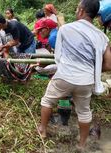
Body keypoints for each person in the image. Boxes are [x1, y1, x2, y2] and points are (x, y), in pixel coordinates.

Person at [39, 0, 111, 151]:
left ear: (81, 10)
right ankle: (82, 144)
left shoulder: (66, 28)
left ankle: (43, 131)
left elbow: (58, 54)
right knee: (84, 111)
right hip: (86, 81)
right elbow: (109, 64)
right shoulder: (101, 37)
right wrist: (91, 70)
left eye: (77, 8)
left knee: (47, 100)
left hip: (65, 76)